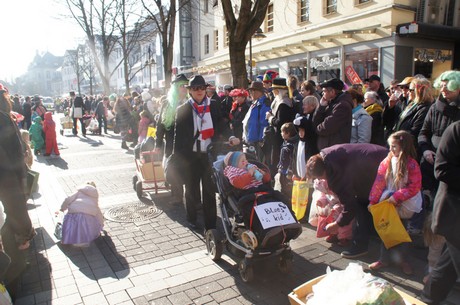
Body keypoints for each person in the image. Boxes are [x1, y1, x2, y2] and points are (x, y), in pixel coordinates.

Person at [173, 75, 238, 230]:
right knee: (191, 190)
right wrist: (178, 160)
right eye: (195, 88)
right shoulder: (183, 109)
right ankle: (192, 219)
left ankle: (210, 224)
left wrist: (232, 136)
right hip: (191, 157)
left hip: (209, 156)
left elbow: (221, 124)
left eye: (202, 88)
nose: (199, 91)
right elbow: (178, 137)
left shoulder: (213, 105)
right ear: (190, 91)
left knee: (209, 191)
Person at [306, 143, 388, 259]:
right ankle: (370, 238)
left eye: (321, 177)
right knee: (364, 202)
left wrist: (337, 224)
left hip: (379, 168)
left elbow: (349, 206)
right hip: (379, 157)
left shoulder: (335, 174)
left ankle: (362, 246)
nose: (321, 180)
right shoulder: (326, 155)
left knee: (362, 205)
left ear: (324, 171)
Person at [367, 130, 423, 275]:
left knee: (402, 233)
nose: (390, 149)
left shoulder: (411, 165)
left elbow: (414, 186)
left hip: (404, 204)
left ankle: (403, 261)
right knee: (386, 231)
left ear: (403, 146)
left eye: (394, 146)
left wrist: (398, 196)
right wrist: (373, 201)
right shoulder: (387, 161)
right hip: (389, 202)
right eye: (390, 146)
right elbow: (379, 181)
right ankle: (383, 259)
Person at [0, 85, 36, 301]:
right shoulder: (5, 119)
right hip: (9, 184)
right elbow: (15, 156)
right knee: (12, 231)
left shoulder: (4, 119)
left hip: (8, 184)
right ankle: (15, 275)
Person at [420, 121, 460, 305]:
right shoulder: (456, 130)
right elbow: (442, 169)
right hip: (454, 213)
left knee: (447, 266)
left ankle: (429, 298)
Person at [155, 74, 189, 203]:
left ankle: (193, 198)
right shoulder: (167, 104)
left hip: (188, 143)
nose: (184, 88)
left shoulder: (190, 102)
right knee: (174, 170)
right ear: (175, 88)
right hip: (171, 143)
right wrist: (158, 144)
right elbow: (160, 125)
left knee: (189, 170)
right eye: (182, 86)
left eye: (186, 85)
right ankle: (177, 196)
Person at [265, 78, 296, 176]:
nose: (273, 92)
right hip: (277, 136)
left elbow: (279, 122)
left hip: (280, 137)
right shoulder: (280, 101)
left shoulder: (284, 104)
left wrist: (270, 118)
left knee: (277, 160)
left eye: (275, 90)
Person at [58, 181, 104, 247]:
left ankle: (69, 237)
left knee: (68, 219)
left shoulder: (79, 192)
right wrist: (101, 225)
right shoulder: (94, 197)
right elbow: (98, 212)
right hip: (87, 219)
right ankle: (83, 239)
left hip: (73, 215)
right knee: (93, 221)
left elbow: (67, 200)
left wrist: (62, 208)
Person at [312, 78, 353, 150]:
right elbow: (315, 121)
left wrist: (317, 128)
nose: (322, 93)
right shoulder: (330, 103)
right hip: (328, 149)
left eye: (324, 91)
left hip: (335, 151)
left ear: (332, 92)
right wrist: (321, 107)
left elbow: (326, 127)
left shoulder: (342, 106)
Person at [242, 81, 271, 163]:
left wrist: (261, 140)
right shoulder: (255, 103)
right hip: (252, 139)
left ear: (257, 92)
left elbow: (264, 123)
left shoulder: (264, 104)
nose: (250, 93)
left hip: (258, 141)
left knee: (259, 163)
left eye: (251, 91)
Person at [275, 122, 297, 198]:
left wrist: (289, 172)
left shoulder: (290, 146)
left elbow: (291, 159)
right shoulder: (287, 143)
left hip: (286, 173)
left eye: (282, 132)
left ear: (288, 133)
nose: (281, 133)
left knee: (286, 190)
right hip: (283, 170)